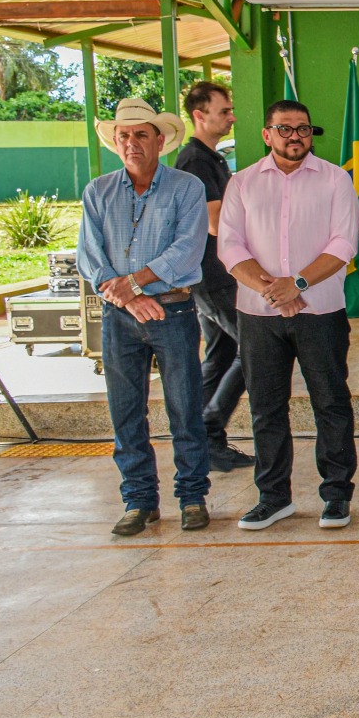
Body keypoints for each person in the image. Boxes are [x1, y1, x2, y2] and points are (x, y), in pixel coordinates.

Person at [218, 101, 359, 531]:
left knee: (331, 403)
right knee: (265, 408)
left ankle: (336, 495)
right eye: (285, 128)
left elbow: (343, 244)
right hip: (258, 316)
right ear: (267, 134)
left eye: (303, 128)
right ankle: (273, 497)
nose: (295, 136)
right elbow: (230, 246)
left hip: (320, 312)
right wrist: (275, 291)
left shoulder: (336, 179)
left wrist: (296, 284)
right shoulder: (242, 183)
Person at [77, 98, 211, 536]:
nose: (132, 142)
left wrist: (133, 285)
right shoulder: (98, 191)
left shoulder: (186, 187)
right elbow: (90, 257)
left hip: (173, 310)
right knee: (125, 411)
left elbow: (187, 249)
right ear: (115, 142)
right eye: (124, 136)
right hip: (119, 317)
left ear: (159, 140)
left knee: (185, 408)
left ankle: (192, 497)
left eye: (141, 134)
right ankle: (139, 501)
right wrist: (130, 299)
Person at [175, 81, 255, 472]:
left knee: (220, 355)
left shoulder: (212, 158)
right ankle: (208, 431)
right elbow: (214, 222)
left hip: (213, 275)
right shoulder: (195, 160)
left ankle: (198, 439)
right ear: (199, 115)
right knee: (254, 348)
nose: (232, 117)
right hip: (213, 276)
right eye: (224, 111)